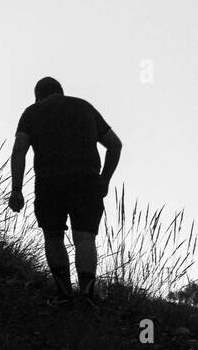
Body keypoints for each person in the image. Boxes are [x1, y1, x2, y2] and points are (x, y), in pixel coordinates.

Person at [8, 77, 123, 308]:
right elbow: (115, 144)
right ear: (61, 91)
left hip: (50, 182)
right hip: (87, 181)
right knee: (85, 238)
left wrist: (16, 189)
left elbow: (19, 149)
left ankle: (63, 295)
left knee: (52, 235)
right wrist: (104, 180)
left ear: (38, 96)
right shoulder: (84, 107)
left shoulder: (32, 112)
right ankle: (88, 296)